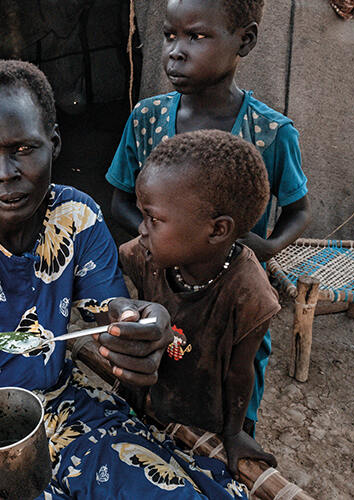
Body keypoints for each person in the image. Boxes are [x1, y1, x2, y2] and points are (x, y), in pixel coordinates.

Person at [0, 60, 249, 499]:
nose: (6, 172)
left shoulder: (75, 218)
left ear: (54, 143)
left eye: (24, 149)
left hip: (60, 407)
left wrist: (141, 326)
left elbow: (112, 311)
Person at [105, 0, 310, 434]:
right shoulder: (146, 120)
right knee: (156, 389)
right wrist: (160, 238)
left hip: (229, 303)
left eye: (196, 36)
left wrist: (267, 247)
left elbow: (299, 211)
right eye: (169, 35)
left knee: (227, 391)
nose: (175, 51)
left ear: (245, 40)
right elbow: (120, 201)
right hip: (161, 293)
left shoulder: (271, 134)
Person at [120, 130, 281, 475]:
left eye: (154, 218)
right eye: (142, 214)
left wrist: (234, 432)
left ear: (218, 230)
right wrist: (132, 390)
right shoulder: (145, 256)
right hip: (156, 398)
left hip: (210, 421)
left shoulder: (250, 295)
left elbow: (240, 374)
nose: (141, 229)